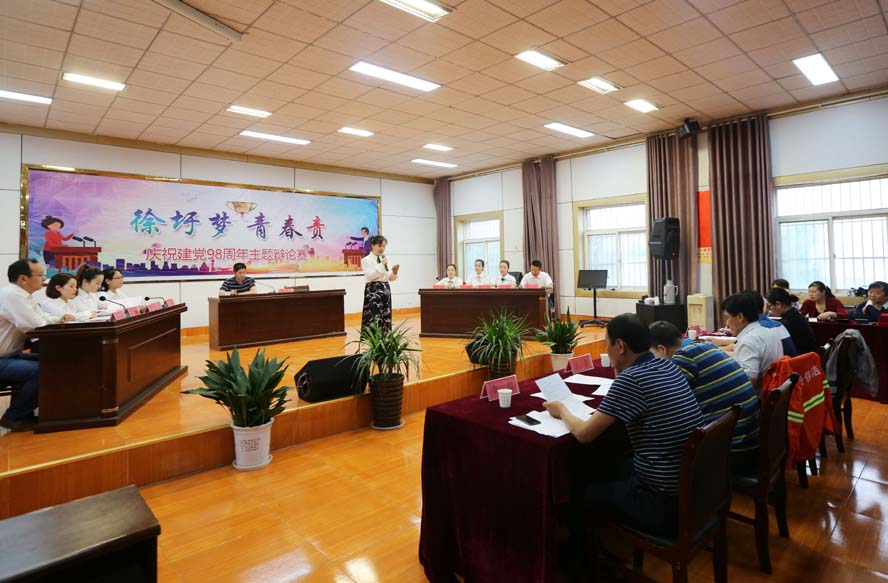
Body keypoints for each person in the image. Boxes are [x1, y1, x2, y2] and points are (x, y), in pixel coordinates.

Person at [544, 314, 702, 537]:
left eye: (606, 344)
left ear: (620, 346)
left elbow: (584, 434)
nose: (606, 350)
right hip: (694, 489)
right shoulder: (668, 365)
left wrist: (561, 409)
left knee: (578, 485)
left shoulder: (632, 380)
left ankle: (579, 553)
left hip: (662, 503)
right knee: (608, 460)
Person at [649, 321, 761, 475]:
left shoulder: (683, 358)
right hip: (749, 442)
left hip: (732, 453)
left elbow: (665, 402)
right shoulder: (705, 346)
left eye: (652, 356)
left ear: (662, 349)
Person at [0, 259, 75, 431]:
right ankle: (14, 417)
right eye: (40, 274)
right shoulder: (12, 295)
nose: (44, 278)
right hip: (3, 358)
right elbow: (35, 326)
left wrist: (60, 319)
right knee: (44, 369)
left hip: (10, 355)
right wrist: (54, 322)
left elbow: (43, 318)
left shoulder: (25, 296)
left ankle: (31, 412)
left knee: (56, 362)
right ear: (23, 278)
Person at [722, 293, 783, 387]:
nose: (727, 323)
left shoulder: (748, 341)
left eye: (727, 318)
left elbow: (748, 383)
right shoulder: (768, 332)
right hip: (773, 388)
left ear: (740, 317)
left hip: (759, 394)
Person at [361, 235, 399, 332]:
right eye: (379, 246)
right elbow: (370, 276)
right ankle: (373, 338)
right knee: (373, 316)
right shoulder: (366, 260)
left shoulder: (385, 259)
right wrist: (381, 265)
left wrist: (394, 272)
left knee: (385, 316)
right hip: (373, 290)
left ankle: (385, 337)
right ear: (373, 245)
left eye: (384, 246)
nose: (382, 248)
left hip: (385, 289)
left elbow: (389, 277)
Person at [746, 290, 797, 358]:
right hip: (795, 360)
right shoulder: (792, 317)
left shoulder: (785, 322)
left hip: (790, 361)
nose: (769, 310)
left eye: (769, 306)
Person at [767, 287, 818, 355]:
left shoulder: (787, 322)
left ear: (778, 304)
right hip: (807, 356)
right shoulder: (795, 315)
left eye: (769, 306)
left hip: (800, 358)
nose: (770, 310)